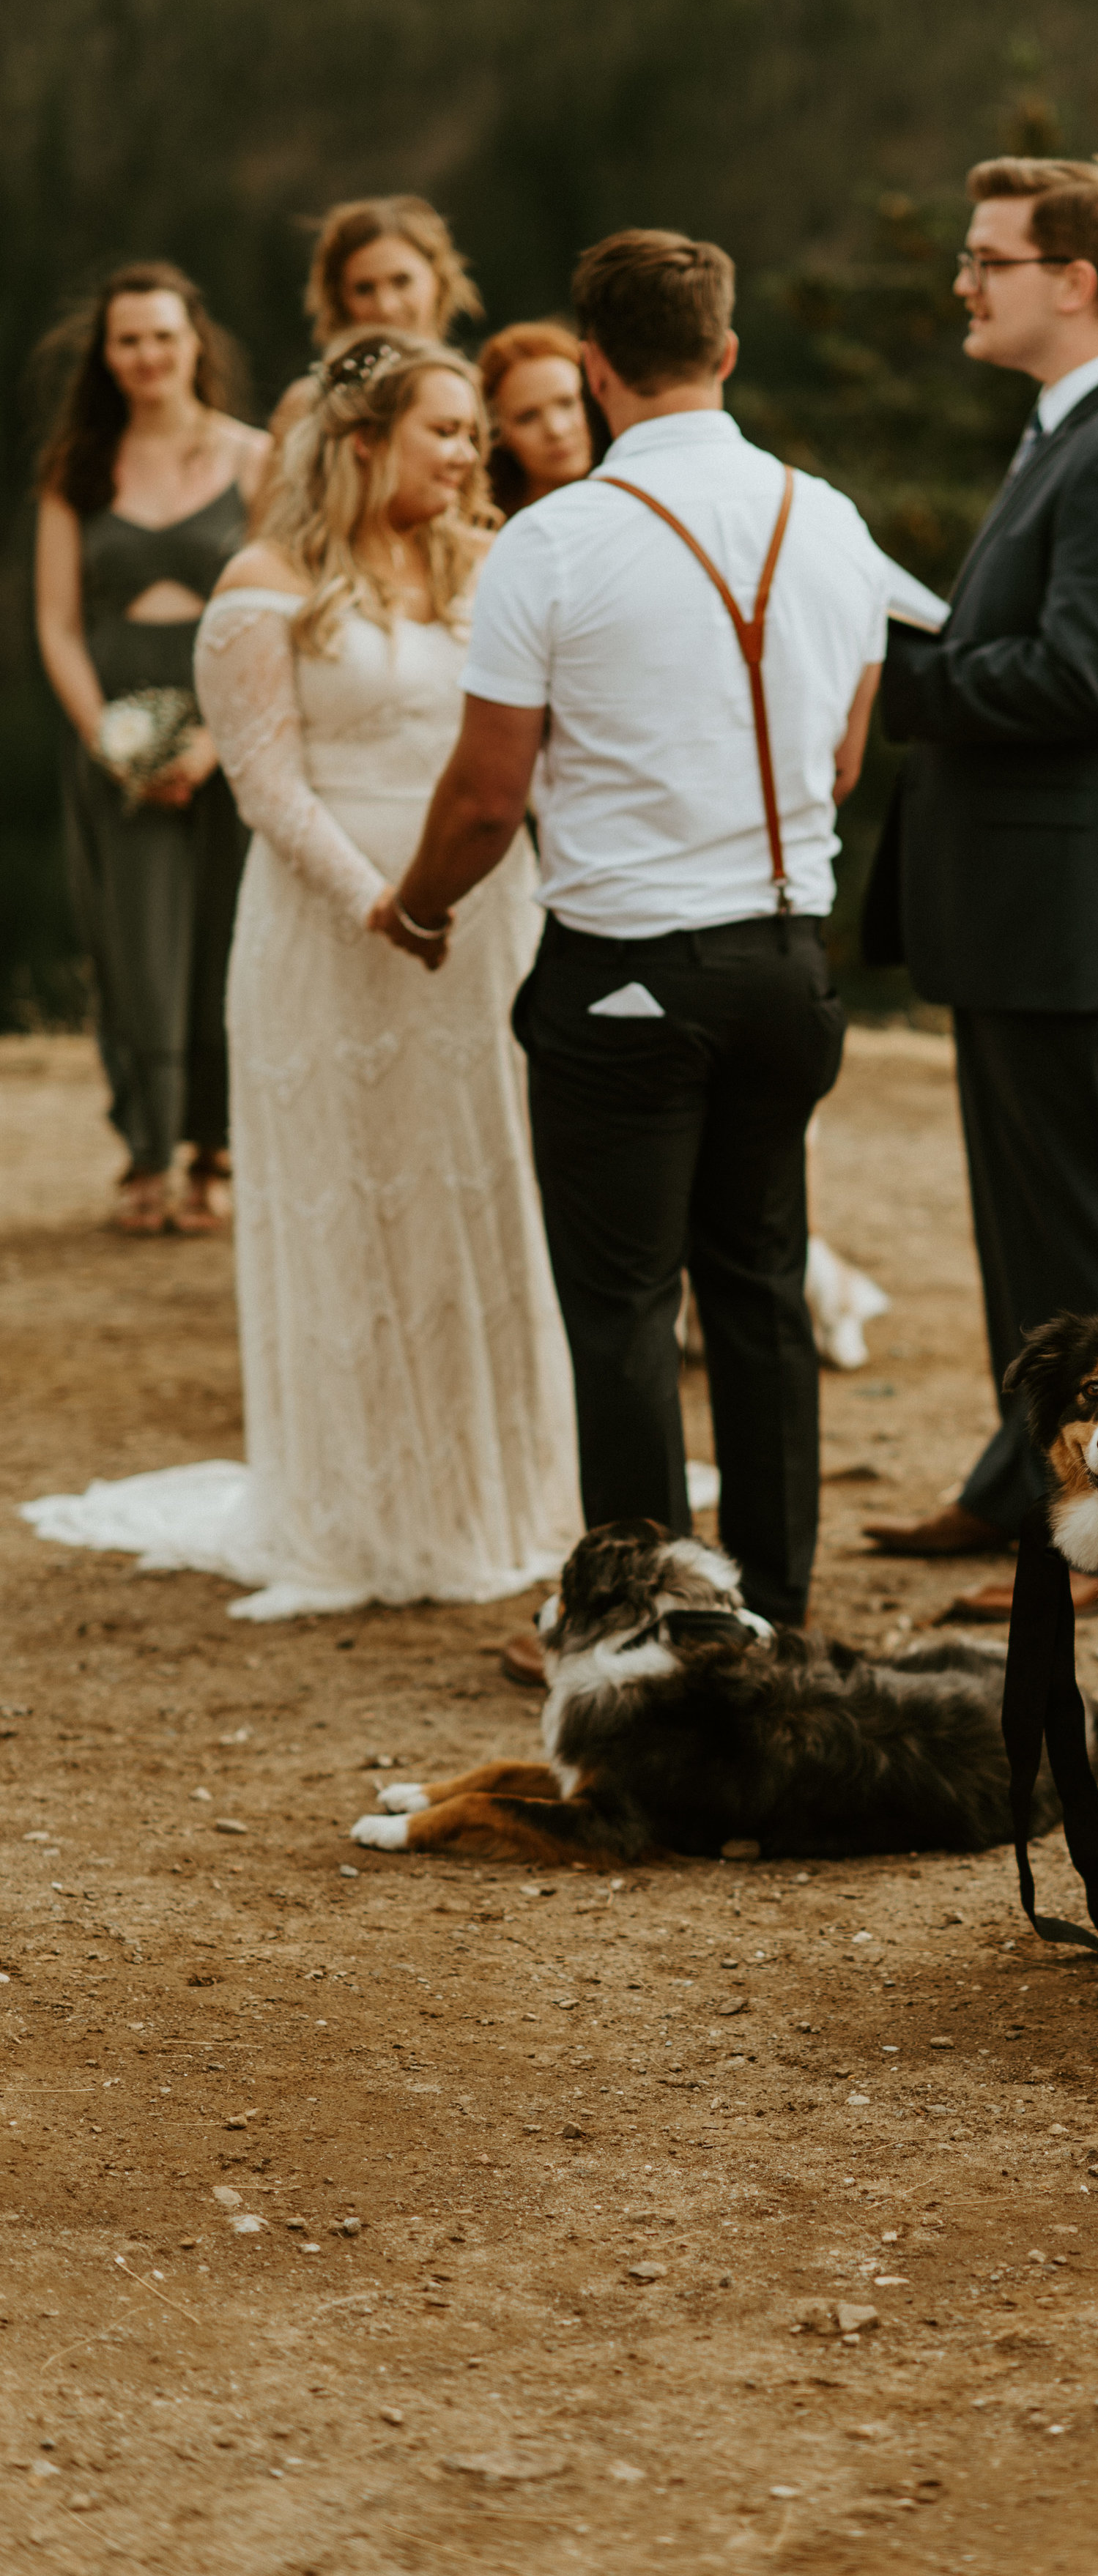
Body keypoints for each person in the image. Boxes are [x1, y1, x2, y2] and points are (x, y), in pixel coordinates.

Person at [369, 231, 887, 1627]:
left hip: (625, 980)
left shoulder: (555, 542)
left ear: (594, 370)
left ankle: (653, 1621)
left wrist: (414, 904)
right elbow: (842, 760)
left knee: (622, 1312)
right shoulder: (829, 520)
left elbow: (485, 797)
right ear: (726, 351)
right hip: (788, 965)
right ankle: (768, 1607)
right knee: (763, 1291)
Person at [24, 333, 578, 1620]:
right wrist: (378, 906)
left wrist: (470, 897)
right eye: (445, 430)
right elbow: (266, 784)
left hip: (486, 924)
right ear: (364, 439)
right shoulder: (261, 581)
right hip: (328, 938)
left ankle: (498, 1489)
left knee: (483, 1189)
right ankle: (360, 1502)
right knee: (352, 1202)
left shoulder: (488, 565)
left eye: (470, 434)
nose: (469, 452)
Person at [858, 152, 1098, 1615]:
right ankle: (1027, 1475)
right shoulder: (1081, 424)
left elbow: (1084, 677)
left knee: (1087, 1229)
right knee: (1028, 1225)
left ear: (1071, 282)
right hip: (1039, 910)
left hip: (1085, 910)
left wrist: (893, 667)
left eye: (984, 260)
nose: (960, 281)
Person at [34, 261, 269, 1234]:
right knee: (136, 946)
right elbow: (56, 622)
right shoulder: (77, 470)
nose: (146, 356)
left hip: (233, 731)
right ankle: (144, 1150)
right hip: (116, 733)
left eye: (163, 336)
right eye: (127, 340)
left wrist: (219, 741)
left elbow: (283, 611)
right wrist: (112, 742)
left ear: (194, 343)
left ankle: (216, 1149)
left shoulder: (256, 461)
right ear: (107, 355)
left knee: (225, 938)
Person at [269, 196, 482, 448]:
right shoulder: (307, 404)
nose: (386, 306)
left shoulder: (484, 390)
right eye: (364, 289)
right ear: (339, 299)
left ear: (438, 277)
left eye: (401, 281)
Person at [479, 322, 598, 514]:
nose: (556, 430)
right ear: (498, 433)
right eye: (527, 417)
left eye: (568, 403)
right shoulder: (488, 532)